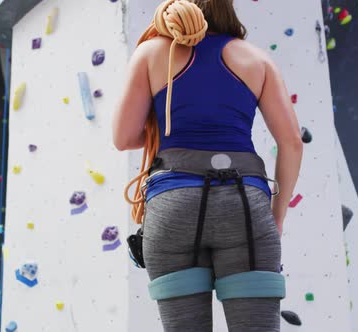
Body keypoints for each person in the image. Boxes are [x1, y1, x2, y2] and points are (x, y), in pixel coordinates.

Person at [113, 0, 303, 331]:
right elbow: (292, 143)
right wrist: (277, 216)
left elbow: (124, 138)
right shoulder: (256, 59)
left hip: (173, 204)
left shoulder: (151, 53)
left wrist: (169, 120)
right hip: (245, 207)